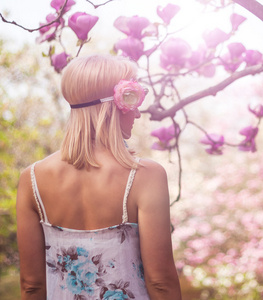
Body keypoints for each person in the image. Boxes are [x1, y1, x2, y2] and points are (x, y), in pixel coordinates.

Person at [16, 54, 182, 300]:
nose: (137, 114)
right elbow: (160, 283)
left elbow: (31, 285)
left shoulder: (31, 179)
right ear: (112, 105)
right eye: (132, 101)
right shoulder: (146, 176)